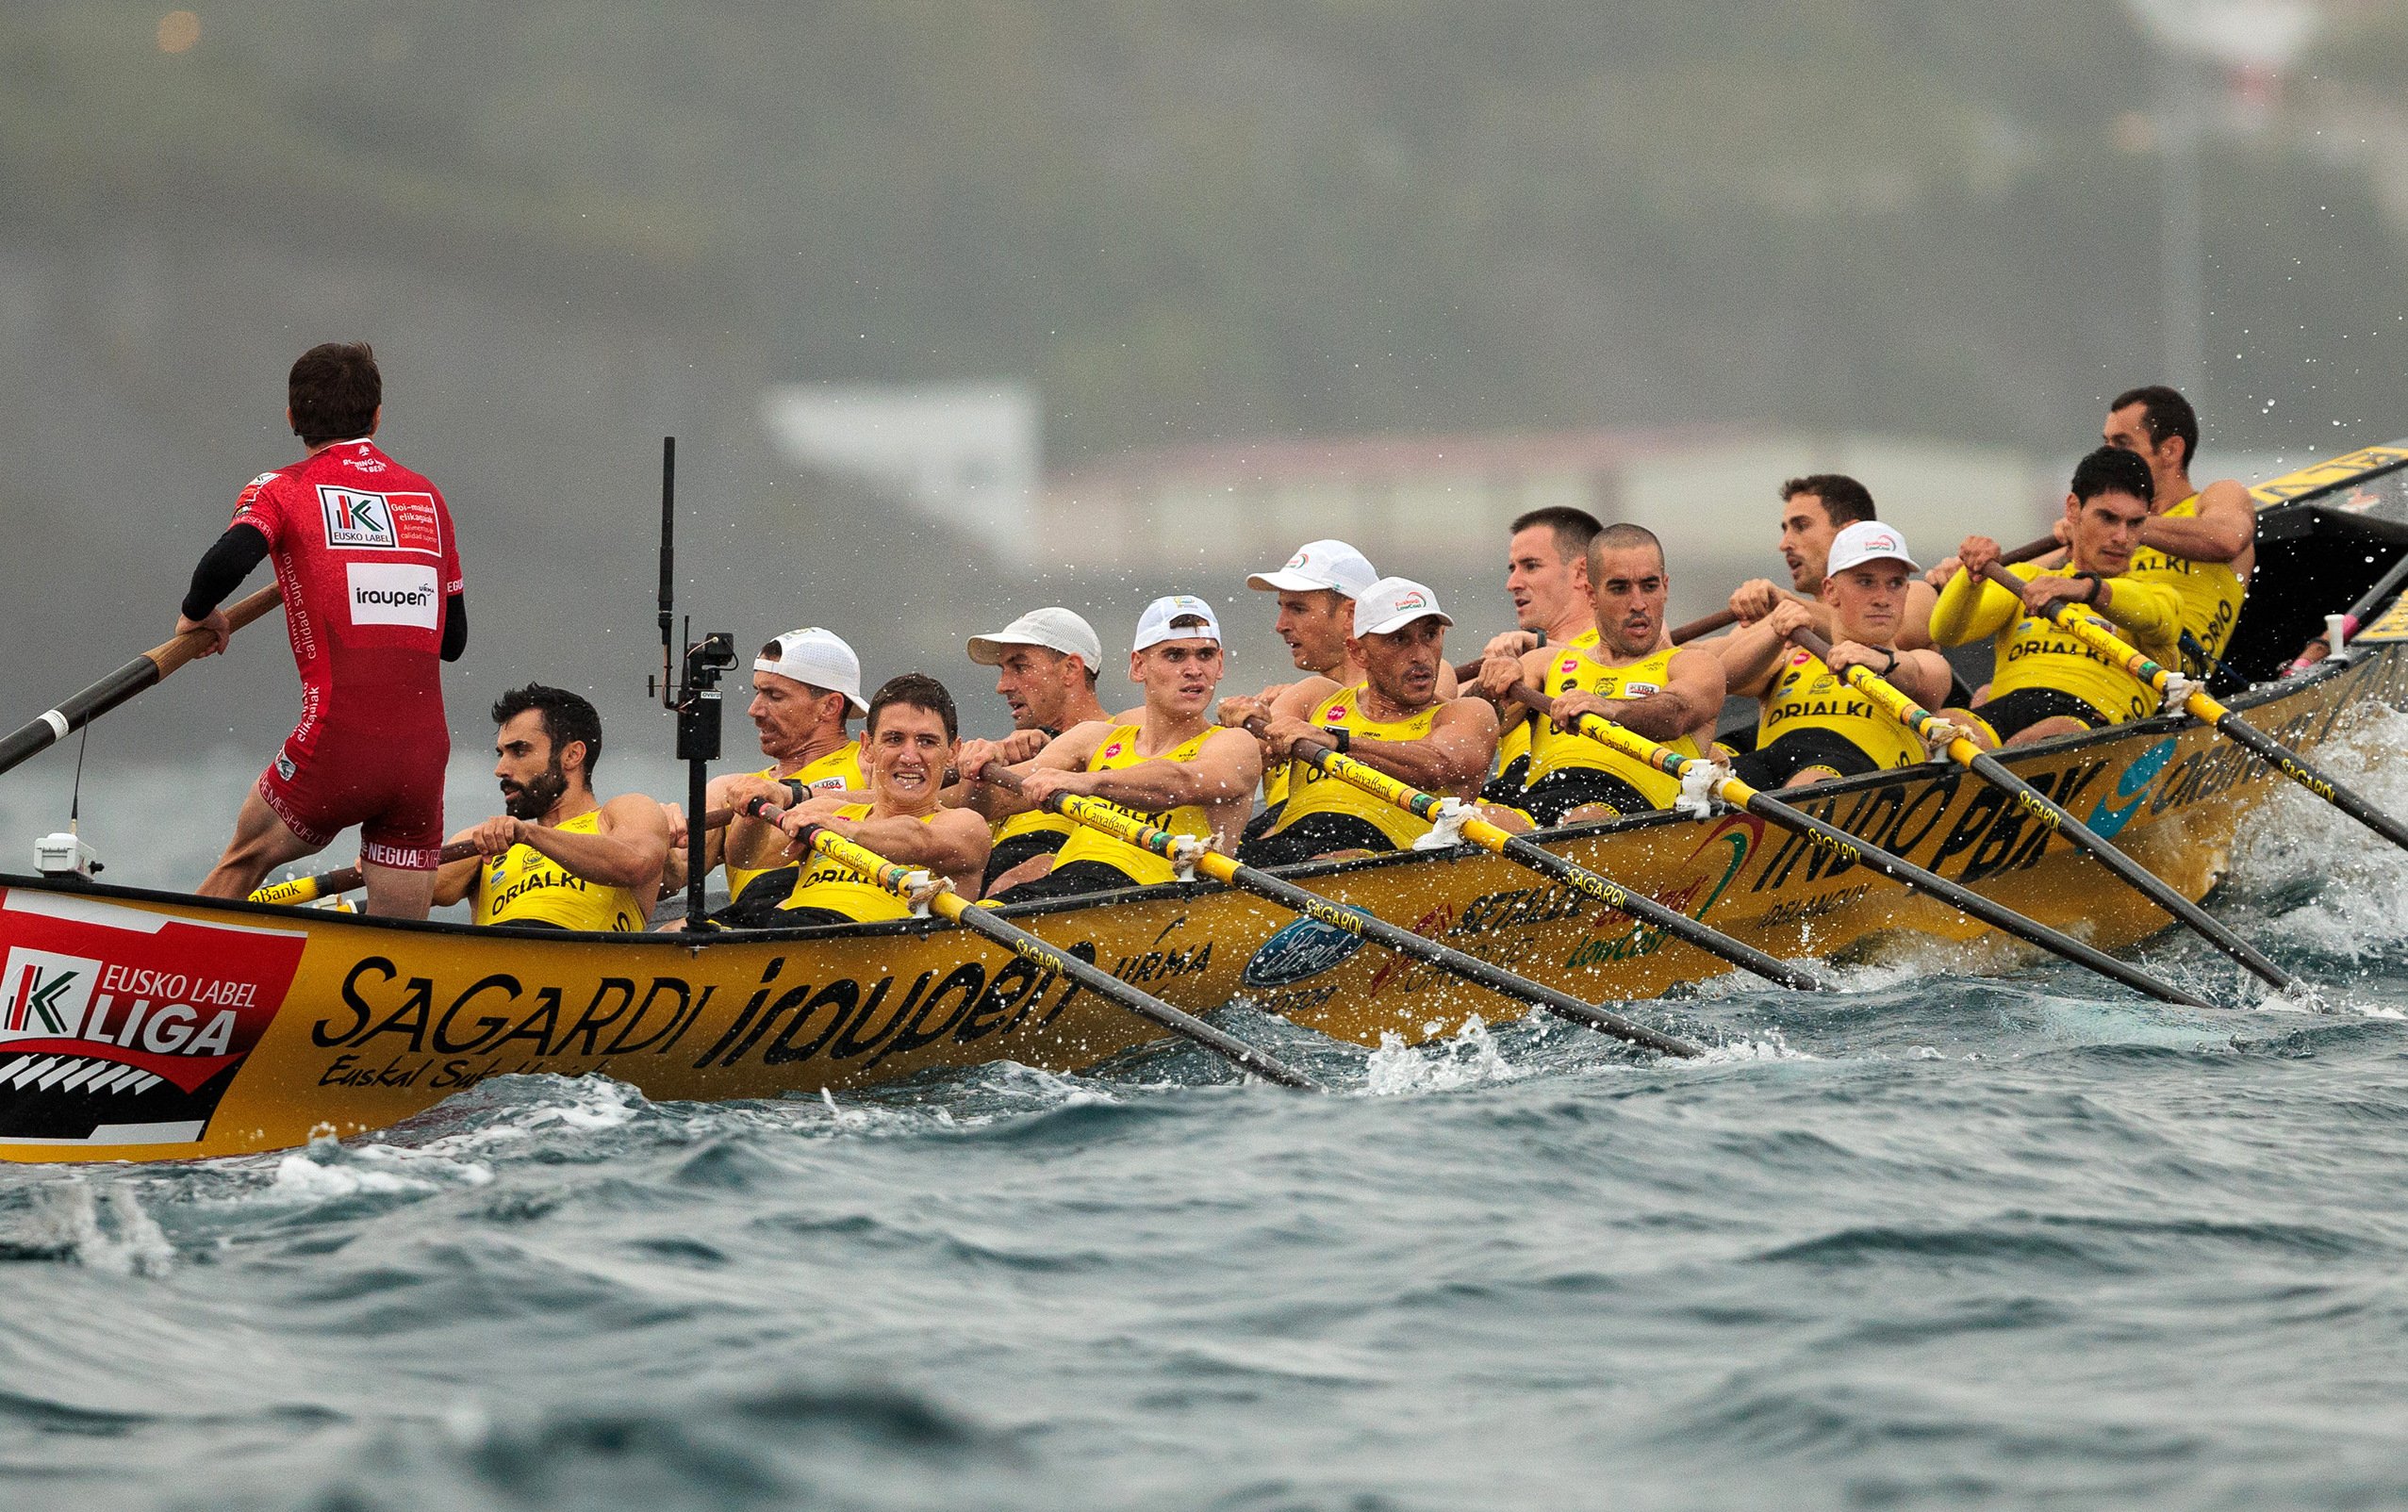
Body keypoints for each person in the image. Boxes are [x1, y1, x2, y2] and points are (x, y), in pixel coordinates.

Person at [180, 341, 466, 919]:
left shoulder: (282, 488)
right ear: (376, 417)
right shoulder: (426, 497)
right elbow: (452, 642)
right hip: (422, 756)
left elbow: (225, 563)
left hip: (336, 742)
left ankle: (171, 961)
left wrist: (197, 612)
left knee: (244, 860)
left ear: (292, 417)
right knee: (398, 942)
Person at [961, 596, 1262, 900]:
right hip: (1066, 891)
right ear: (1139, 666)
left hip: (1152, 900)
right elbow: (989, 804)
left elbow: (1180, 783)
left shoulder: (1233, 744)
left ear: (1219, 664)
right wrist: (981, 762)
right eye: (1175, 656)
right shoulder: (1092, 739)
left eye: (1205, 655)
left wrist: (1088, 782)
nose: (1194, 669)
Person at [1225, 579, 1498, 865]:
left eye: (1429, 636)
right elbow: (1245, 761)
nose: (1420, 655)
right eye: (1399, 640)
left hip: (1381, 852)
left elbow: (1438, 765)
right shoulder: (1316, 696)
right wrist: (1240, 726)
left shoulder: (1465, 713)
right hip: (1290, 842)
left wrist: (1338, 742)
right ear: (1358, 652)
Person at [1930, 448, 2185, 748]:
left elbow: (2155, 614)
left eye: (2135, 523)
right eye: (2108, 518)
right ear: (2073, 508)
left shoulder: (2159, 596)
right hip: (2007, 710)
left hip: (2088, 722)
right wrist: (1970, 576)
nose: (2121, 537)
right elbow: (1946, 633)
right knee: (1940, 728)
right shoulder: (2025, 578)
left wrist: (2086, 589)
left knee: (2036, 742)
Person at [1479, 523, 1725, 827]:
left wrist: (1609, 708)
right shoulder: (1544, 664)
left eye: (1649, 587)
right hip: (1540, 795)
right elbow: (1481, 728)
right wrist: (1490, 686)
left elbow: (1675, 714)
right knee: (1478, 819)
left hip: (1629, 804)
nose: (1638, 604)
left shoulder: (1692, 664)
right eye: (1620, 588)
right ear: (1592, 594)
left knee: (1585, 818)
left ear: (1665, 588)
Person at [717, 675, 990, 928]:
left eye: (927, 742)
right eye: (894, 739)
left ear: (952, 752)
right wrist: (750, 814)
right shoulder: (825, 810)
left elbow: (917, 838)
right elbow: (745, 858)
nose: (909, 756)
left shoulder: (965, 824)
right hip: (789, 930)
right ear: (868, 747)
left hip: (862, 942)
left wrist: (843, 829)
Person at [1722, 523, 1950, 788]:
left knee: (1808, 781)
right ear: (1830, 591)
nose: (1883, 598)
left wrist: (1880, 660)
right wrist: (1775, 631)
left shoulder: (1919, 660)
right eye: (1866, 582)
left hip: (1851, 776)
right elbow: (1722, 680)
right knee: (1709, 774)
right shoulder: (1788, 656)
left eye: (1895, 584)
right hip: (1770, 766)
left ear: (1906, 593)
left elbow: (1920, 678)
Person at [431, 685, 672, 931]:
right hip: (496, 950)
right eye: (500, 754)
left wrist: (528, 834)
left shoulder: (624, 811)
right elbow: (411, 889)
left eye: (519, 751)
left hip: (588, 952)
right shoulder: (484, 843)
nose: (500, 769)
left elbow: (637, 863)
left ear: (572, 755)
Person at [667, 628, 869, 908]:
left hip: (842, 915)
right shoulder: (728, 789)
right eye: (758, 692)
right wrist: (658, 832)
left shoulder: (873, 763)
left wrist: (794, 796)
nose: (754, 710)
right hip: (753, 923)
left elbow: (924, 811)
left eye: (774, 696)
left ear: (829, 707)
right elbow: (672, 878)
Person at [2103, 385, 2253, 675]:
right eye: (2106, 444)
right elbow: (2030, 578)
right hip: (2098, 656)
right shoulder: (2102, 525)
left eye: (2122, 444)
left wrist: (2121, 523)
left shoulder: (2217, 497)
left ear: (2170, 450)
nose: (2107, 457)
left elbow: (2228, 539)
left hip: (2171, 672)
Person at [962, 607, 1110, 896]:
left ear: (1070, 670)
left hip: (1069, 893)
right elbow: (942, 808)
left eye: (1019, 667)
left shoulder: (1127, 737)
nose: (1002, 686)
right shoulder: (1007, 751)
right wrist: (978, 765)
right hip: (990, 895)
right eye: (1003, 670)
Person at [1720, 475, 1940, 653]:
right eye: (1785, 530)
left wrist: (1783, 602)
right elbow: (1715, 661)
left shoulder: (1916, 595)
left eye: (1801, 526)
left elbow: (1885, 637)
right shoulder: (1781, 620)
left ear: (1849, 532)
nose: (1784, 544)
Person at [1476, 506, 1604, 803]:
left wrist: (1541, 646)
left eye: (1530, 566)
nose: (1512, 584)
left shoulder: (1632, 642)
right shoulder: (1516, 656)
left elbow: (1633, 667)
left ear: (1582, 572)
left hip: (1583, 789)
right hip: (1512, 794)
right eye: (1512, 569)